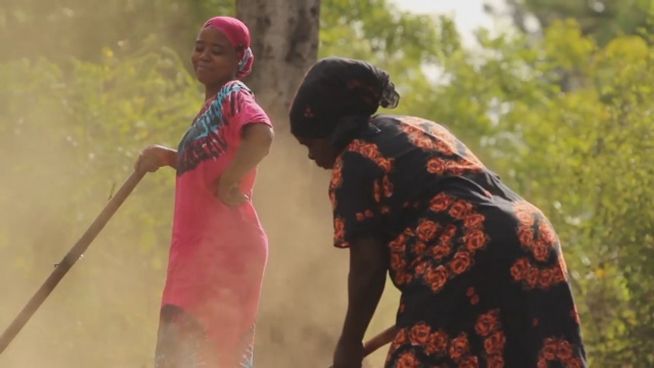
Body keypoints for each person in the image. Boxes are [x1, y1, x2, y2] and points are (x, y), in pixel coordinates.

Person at [289, 57, 586, 368]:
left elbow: (368, 265)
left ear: (331, 128)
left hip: (467, 249)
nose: (310, 154)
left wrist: (349, 342)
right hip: (531, 233)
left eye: (310, 142)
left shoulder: (352, 164)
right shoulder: (417, 126)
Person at [135, 16, 273, 368]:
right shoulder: (211, 109)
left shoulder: (233, 94)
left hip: (223, 250)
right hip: (199, 249)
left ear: (239, 61)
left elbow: (261, 134)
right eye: (200, 48)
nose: (204, 56)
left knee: (198, 348)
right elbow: (207, 162)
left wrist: (231, 180)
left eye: (218, 51)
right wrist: (169, 157)